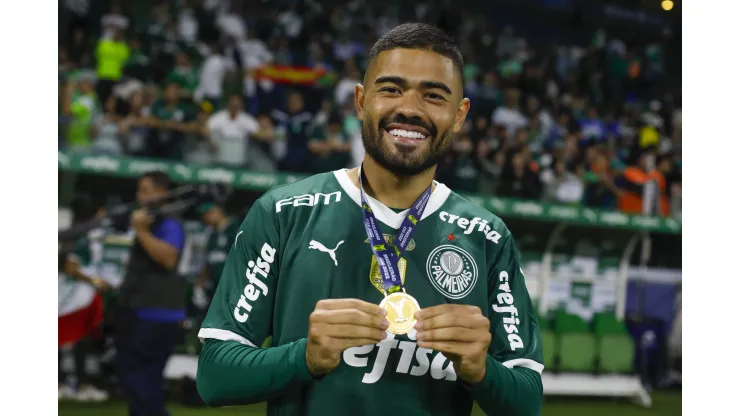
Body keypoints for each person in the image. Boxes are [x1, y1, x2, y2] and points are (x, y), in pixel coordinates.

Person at [196, 23, 544, 416]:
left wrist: (482, 370)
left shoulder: (487, 237)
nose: (410, 109)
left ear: (459, 114)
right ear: (361, 101)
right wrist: (304, 357)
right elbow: (214, 376)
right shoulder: (284, 212)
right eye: (391, 89)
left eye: (433, 95)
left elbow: (527, 401)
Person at [116, 171, 186, 416]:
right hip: (140, 308)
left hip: (157, 313)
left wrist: (142, 232)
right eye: (139, 190)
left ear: (162, 193)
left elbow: (168, 258)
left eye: (145, 190)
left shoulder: (170, 224)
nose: (139, 196)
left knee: (139, 378)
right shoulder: (153, 222)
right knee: (137, 379)